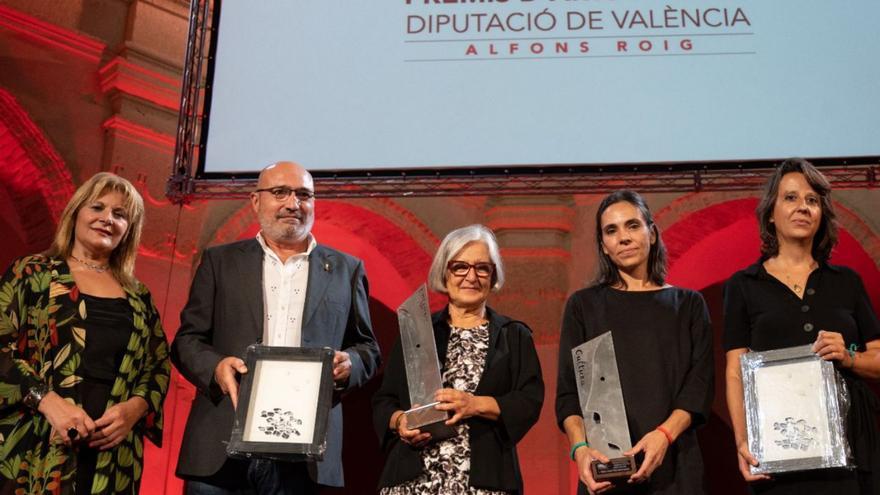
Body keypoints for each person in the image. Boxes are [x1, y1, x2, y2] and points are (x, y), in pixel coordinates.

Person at [171, 161, 381, 494]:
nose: (292, 203)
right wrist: (216, 367)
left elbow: (368, 349)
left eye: (303, 194)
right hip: (220, 447)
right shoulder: (220, 262)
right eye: (280, 192)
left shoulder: (347, 270)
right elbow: (188, 340)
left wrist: (350, 363)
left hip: (306, 453)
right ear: (256, 201)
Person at [0, 172, 170, 494]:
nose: (108, 219)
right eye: (98, 208)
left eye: (120, 215)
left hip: (114, 455)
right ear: (76, 213)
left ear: (129, 230)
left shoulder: (138, 295)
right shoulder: (32, 273)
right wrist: (49, 403)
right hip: (35, 443)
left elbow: (158, 365)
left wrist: (135, 408)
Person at [723, 158, 880, 494]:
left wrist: (849, 357)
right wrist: (743, 441)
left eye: (812, 200)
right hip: (780, 444)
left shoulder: (847, 282)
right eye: (791, 198)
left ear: (822, 214)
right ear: (770, 212)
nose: (803, 208)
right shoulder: (744, 285)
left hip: (850, 445)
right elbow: (736, 371)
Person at [556, 190, 714, 495]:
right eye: (611, 231)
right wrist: (580, 450)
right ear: (603, 245)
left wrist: (664, 436)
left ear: (651, 233)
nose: (623, 238)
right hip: (607, 472)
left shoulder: (688, 305)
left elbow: (700, 387)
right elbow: (568, 394)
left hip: (675, 468)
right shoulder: (583, 306)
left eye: (632, 226)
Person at [372, 224, 544, 495]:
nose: (471, 276)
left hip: (485, 481)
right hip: (414, 481)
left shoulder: (514, 335)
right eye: (460, 267)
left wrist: (475, 404)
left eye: (482, 268)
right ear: (445, 272)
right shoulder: (417, 332)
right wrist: (399, 421)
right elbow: (384, 400)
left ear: (493, 275)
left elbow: (529, 401)